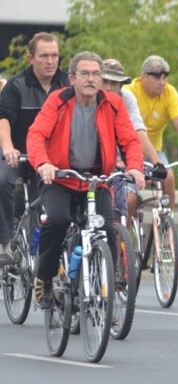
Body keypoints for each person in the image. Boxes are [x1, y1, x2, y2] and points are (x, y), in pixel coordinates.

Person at [26, 51, 145, 310]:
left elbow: (130, 141)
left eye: (95, 74)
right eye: (84, 74)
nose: (91, 79)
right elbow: (36, 134)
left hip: (97, 180)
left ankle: (105, 293)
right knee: (58, 220)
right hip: (60, 178)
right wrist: (43, 163)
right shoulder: (58, 100)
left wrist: (135, 167)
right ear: (72, 78)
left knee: (105, 230)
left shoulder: (113, 103)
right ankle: (44, 278)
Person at [0, 32, 69, 265]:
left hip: (49, 159)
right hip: (18, 155)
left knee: (55, 201)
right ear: (31, 59)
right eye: (44, 56)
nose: (50, 61)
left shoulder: (67, 83)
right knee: (2, 181)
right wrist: (8, 148)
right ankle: (5, 240)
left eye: (54, 56)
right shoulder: (16, 86)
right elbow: (3, 118)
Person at [123, 55, 178, 209]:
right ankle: (128, 230)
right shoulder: (129, 91)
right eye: (156, 77)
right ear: (143, 77)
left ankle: (166, 224)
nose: (162, 82)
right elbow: (135, 131)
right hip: (128, 151)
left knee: (168, 178)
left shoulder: (169, 93)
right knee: (130, 198)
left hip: (154, 151)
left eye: (165, 77)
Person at [99, 58, 165, 221]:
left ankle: (123, 244)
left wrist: (157, 163)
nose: (108, 87)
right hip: (94, 164)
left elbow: (137, 132)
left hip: (121, 162)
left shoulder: (126, 99)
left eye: (114, 83)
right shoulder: (89, 98)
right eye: (105, 81)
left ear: (121, 85)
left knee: (124, 205)